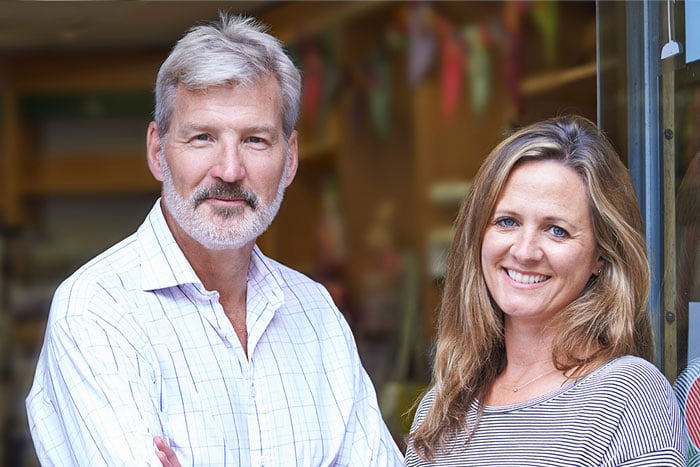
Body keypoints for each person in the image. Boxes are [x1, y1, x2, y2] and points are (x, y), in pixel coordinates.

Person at [25, 14, 403, 466]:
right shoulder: (96, 311)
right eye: (202, 137)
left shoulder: (317, 314)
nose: (229, 169)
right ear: (158, 151)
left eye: (255, 140)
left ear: (290, 159)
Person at [404, 115, 686, 466]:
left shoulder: (627, 395)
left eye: (556, 230)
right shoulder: (441, 408)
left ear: (601, 255)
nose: (524, 252)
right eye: (507, 221)